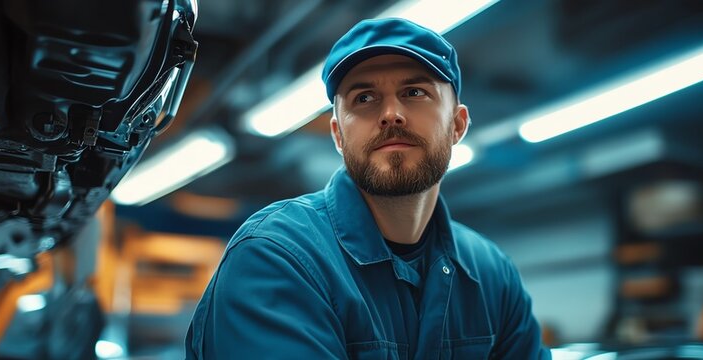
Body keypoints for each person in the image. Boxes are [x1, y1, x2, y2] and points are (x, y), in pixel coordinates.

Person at [185, 18, 551, 359]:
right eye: (364, 97)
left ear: (457, 125)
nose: (391, 113)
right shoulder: (277, 256)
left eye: (414, 91)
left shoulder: (491, 275)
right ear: (338, 135)